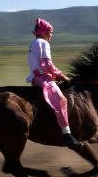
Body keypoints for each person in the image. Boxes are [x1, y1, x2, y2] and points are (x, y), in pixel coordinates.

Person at [26, 18, 83, 149]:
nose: (51, 35)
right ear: (44, 32)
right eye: (50, 32)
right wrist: (62, 76)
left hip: (35, 78)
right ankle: (67, 135)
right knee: (62, 100)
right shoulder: (44, 43)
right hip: (43, 78)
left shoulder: (34, 43)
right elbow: (47, 65)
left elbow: (36, 65)